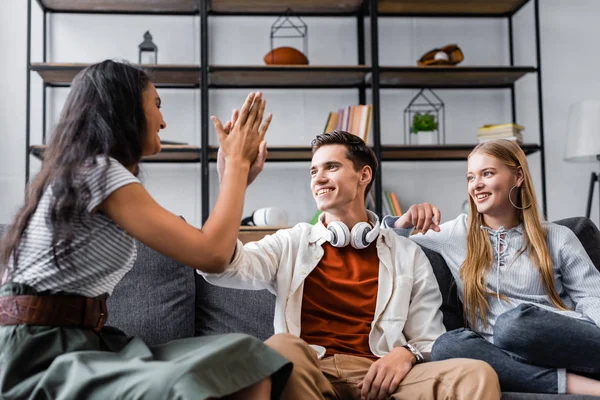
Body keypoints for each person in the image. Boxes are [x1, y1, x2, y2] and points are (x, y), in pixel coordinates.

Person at [0, 60, 293, 400]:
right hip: (40, 354)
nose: (163, 120)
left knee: (247, 361)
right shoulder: (98, 172)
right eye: (156, 104)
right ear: (123, 109)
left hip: (83, 342)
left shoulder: (94, 173)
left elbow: (212, 248)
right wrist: (236, 168)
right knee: (222, 371)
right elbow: (212, 254)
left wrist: (234, 176)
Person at [201, 130, 501, 400]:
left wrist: (406, 353)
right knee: (281, 346)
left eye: (331, 167)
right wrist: (234, 182)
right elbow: (222, 267)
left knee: (475, 374)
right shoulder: (290, 242)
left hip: (380, 376)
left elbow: (428, 337)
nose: (318, 178)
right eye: (313, 171)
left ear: (364, 175)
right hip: (311, 373)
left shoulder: (407, 253)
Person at [383, 139, 600, 396]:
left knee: (514, 325)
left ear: (518, 176)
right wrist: (404, 222)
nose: (476, 185)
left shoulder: (558, 236)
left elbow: (592, 296)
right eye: (471, 177)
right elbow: (391, 246)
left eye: (487, 173)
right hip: (499, 355)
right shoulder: (457, 233)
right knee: (447, 346)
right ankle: (583, 386)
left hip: (555, 339)